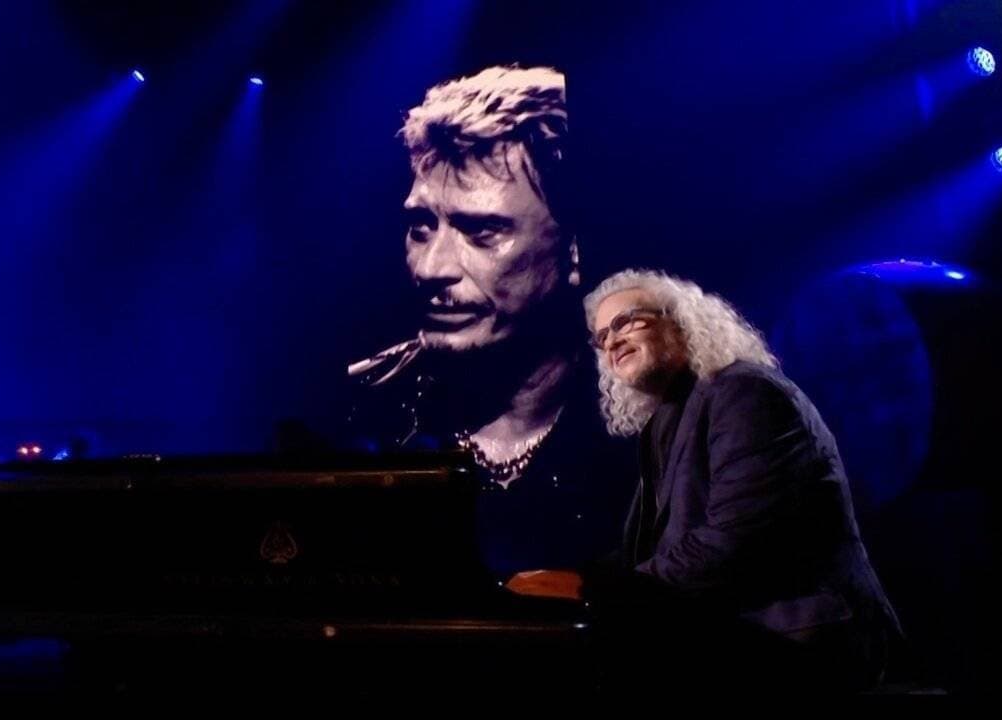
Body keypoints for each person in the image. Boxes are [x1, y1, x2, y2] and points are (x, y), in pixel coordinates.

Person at [511, 269, 903, 692]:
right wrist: (567, 581)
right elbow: (651, 551)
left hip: (804, 641)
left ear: (680, 320)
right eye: (602, 336)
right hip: (740, 637)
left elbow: (733, 542)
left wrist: (601, 590)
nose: (612, 342)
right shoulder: (671, 417)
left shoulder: (745, 393)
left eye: (626, 321)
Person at [346, 65, 635, 579]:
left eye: (482, 231)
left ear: (573, 250)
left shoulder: (654, 428)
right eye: (420, 227)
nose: (431, 268)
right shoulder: (362, 412)